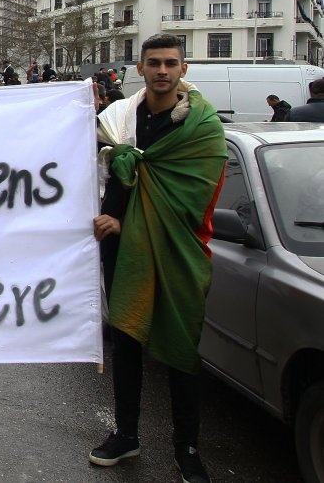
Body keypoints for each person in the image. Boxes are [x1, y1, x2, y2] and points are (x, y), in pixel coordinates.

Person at [90, 34, 226, 483]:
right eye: (154, 63)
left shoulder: (202, 127)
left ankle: (186, 448)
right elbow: (106, 174)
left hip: (176, 250)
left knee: (180, 346)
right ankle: (126, 435)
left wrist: (125, 224)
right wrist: (110, 219)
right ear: (140, 69)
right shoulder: (120, 121)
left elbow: (196, 200)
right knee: (126, 341)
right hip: (121, 249)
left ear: (183, 69)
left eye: (170, 63)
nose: (162, 70)